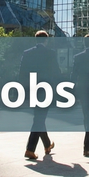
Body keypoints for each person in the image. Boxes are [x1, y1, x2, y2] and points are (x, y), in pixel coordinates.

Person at [19, 30, 61, 160]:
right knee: (39, 118)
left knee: (39, 117)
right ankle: (30, 149)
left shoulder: (27, 53)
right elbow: (57, 72)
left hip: (31, 89)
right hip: (45, 90)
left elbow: (22, 73)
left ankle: (47, 145)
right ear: (46, 40)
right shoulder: (51, 54)